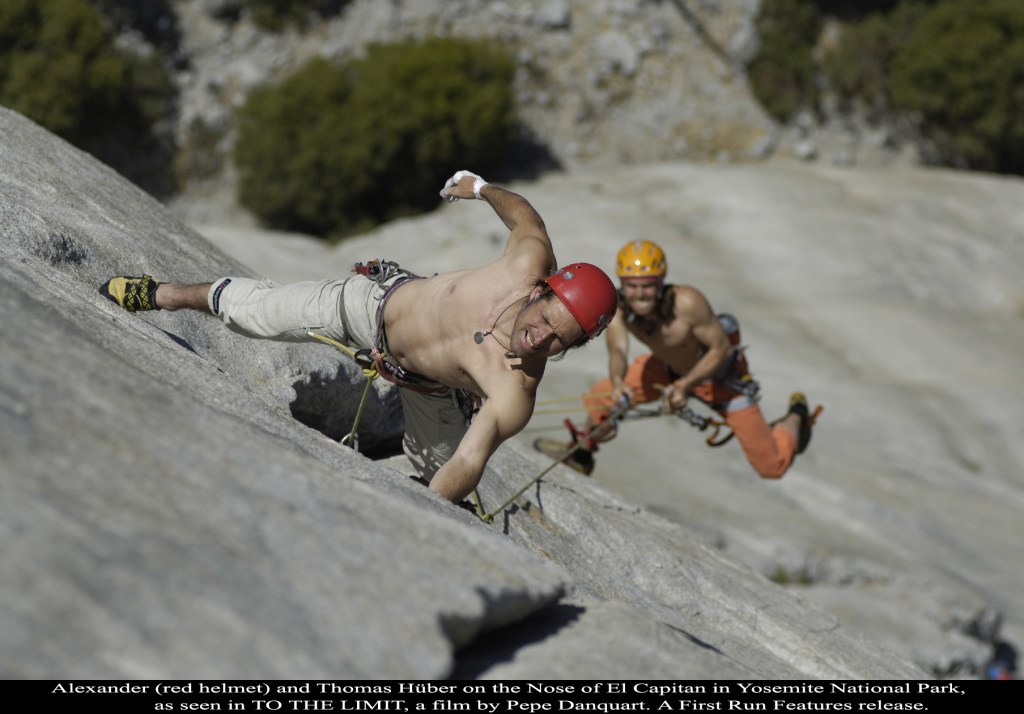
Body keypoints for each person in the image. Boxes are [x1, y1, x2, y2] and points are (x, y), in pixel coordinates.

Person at [99, 171, 617, 504]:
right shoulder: (525, 261)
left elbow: (467, 461)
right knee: (255, 313)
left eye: (559, 343)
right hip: (370, 307)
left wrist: (430, 514)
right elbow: (525, 215)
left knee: (440, 471)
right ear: (545, 289)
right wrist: (481, 189)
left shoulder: (514, 392)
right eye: (548, 321)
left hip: (429, 387)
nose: (541, 340)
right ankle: (163, 294)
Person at [538, 239, 815, 479]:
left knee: (771, 466)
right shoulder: (620, 309)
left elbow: (721, 350)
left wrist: (685, 386)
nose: (639, 293)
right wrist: (619, 382)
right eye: (632, 286)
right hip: (667, 369)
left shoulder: (687, 303)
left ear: (660, 282)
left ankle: (795, 419)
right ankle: (581, 457)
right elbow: (618, 350)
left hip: (722, 379)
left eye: (647, 285)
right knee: (603, 396)